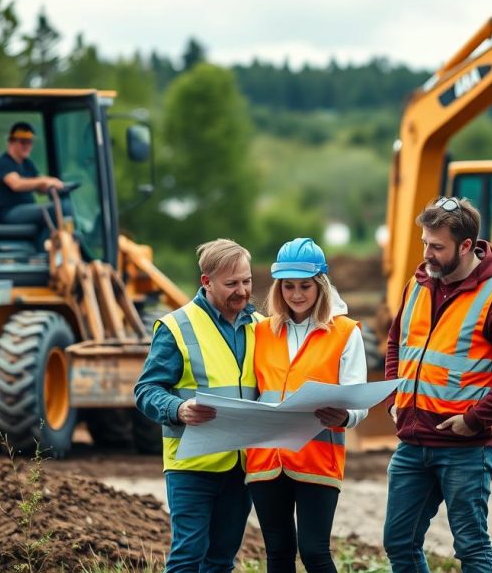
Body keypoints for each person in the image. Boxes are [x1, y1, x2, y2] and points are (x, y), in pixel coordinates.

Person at [382, 196, 492, 573]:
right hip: (413, 441)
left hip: (467, 447)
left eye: (437, 247)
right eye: (425, 243)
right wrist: (394, 396)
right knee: (398, 542)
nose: (427, 254)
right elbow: (395, 343)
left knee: (471, 546)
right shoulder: (417, 285)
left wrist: (474, 419)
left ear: (466, 246)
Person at [134, 239, 261, 573]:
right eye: (231, 284)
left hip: (240, 463)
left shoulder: (261, 327)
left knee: (221, 560)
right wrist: (177, 409)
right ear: (206, 282)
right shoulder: (176, 327)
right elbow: (146, 390)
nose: (242, 291)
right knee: (188, 555)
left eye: (246, 281)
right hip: (191, 464)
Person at [244, 237, 368, 573]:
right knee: (278, 553)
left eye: (305, 286)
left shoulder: (344, 332)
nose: (296, 295)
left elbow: (358, 398)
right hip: (266, 459)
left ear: (321, 286)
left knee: (314, 552)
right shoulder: (262, 331)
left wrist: (346, 415)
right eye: (288, 286)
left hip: (317, 457)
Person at [0, 121, 67, 227]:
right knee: (52, 210)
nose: (27, 146)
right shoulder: (4, 162)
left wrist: (54, 185)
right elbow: (16, 184)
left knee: (63, 207)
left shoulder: (27, 163)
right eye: (23, 142)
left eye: (29, 142)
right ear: (11, 142)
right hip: (10, 213)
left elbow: (40, 186)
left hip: (26, 209)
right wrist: (45, 180)